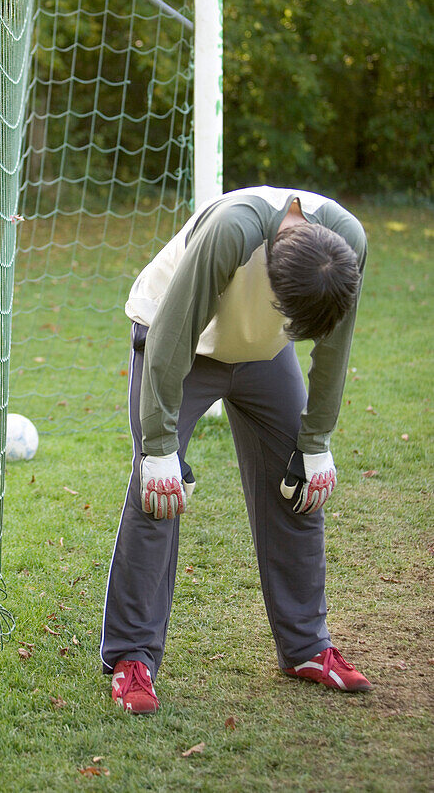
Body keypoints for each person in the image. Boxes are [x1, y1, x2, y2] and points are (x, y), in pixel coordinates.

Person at [101, 186, 372, 714]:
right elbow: (170, 337)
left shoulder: (347, 242)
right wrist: (158, 450)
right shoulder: (234, 231)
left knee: (299, 487)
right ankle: (132, 657)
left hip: (262, 356)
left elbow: (335, 349)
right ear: (273, 279)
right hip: (181, 342)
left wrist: (315, 443)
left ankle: (305, 647)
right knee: (158, 491)